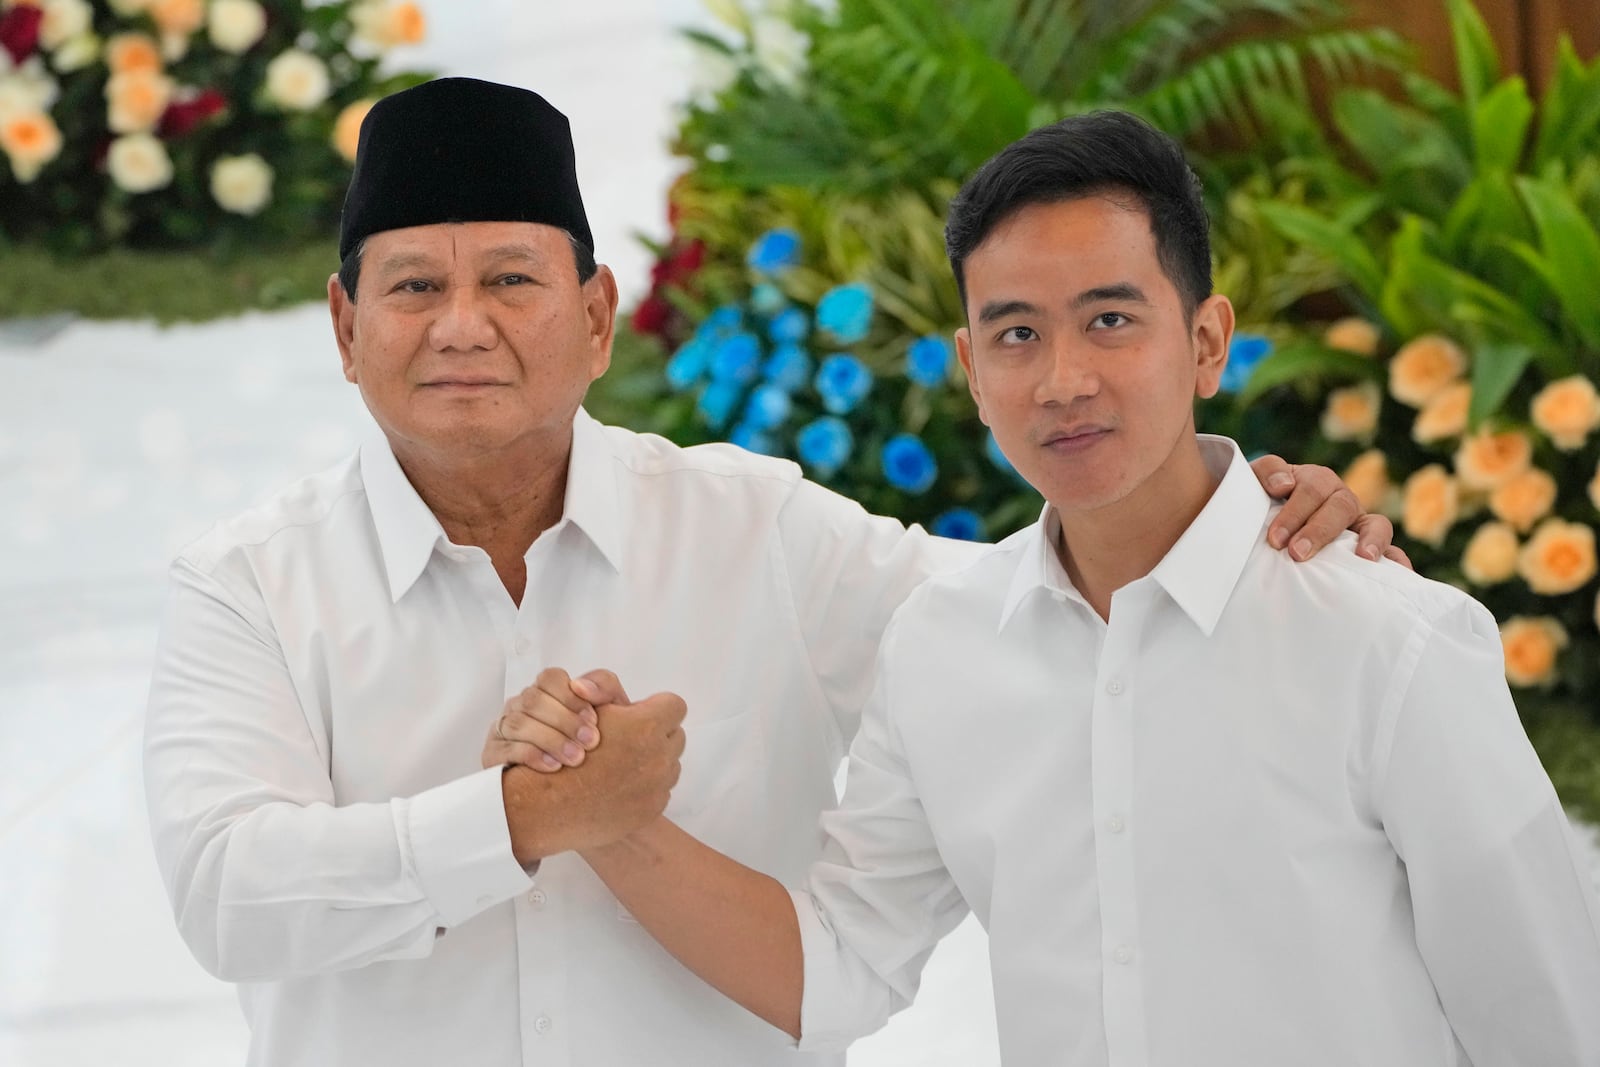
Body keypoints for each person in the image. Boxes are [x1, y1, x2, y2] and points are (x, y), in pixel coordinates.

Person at [142, 79, 1401, 1066]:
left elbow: (1037, 619)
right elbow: (227, 888)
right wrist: (527, 820)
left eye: (511, 280)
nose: (461, 324)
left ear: (595, 317)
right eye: (414, 285)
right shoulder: (248, 581)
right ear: (345, 327)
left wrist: (1240, 518)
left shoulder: (753, 526)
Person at [563, 111, 1600, 1065]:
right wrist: (605, 817)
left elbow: (1544, 1023)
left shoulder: (1389, 640)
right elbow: (841, 961)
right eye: (1017, 334)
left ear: (1205, 341)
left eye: (1109, 319)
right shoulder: (941, 645)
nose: (1062, 379)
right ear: (970, 367)